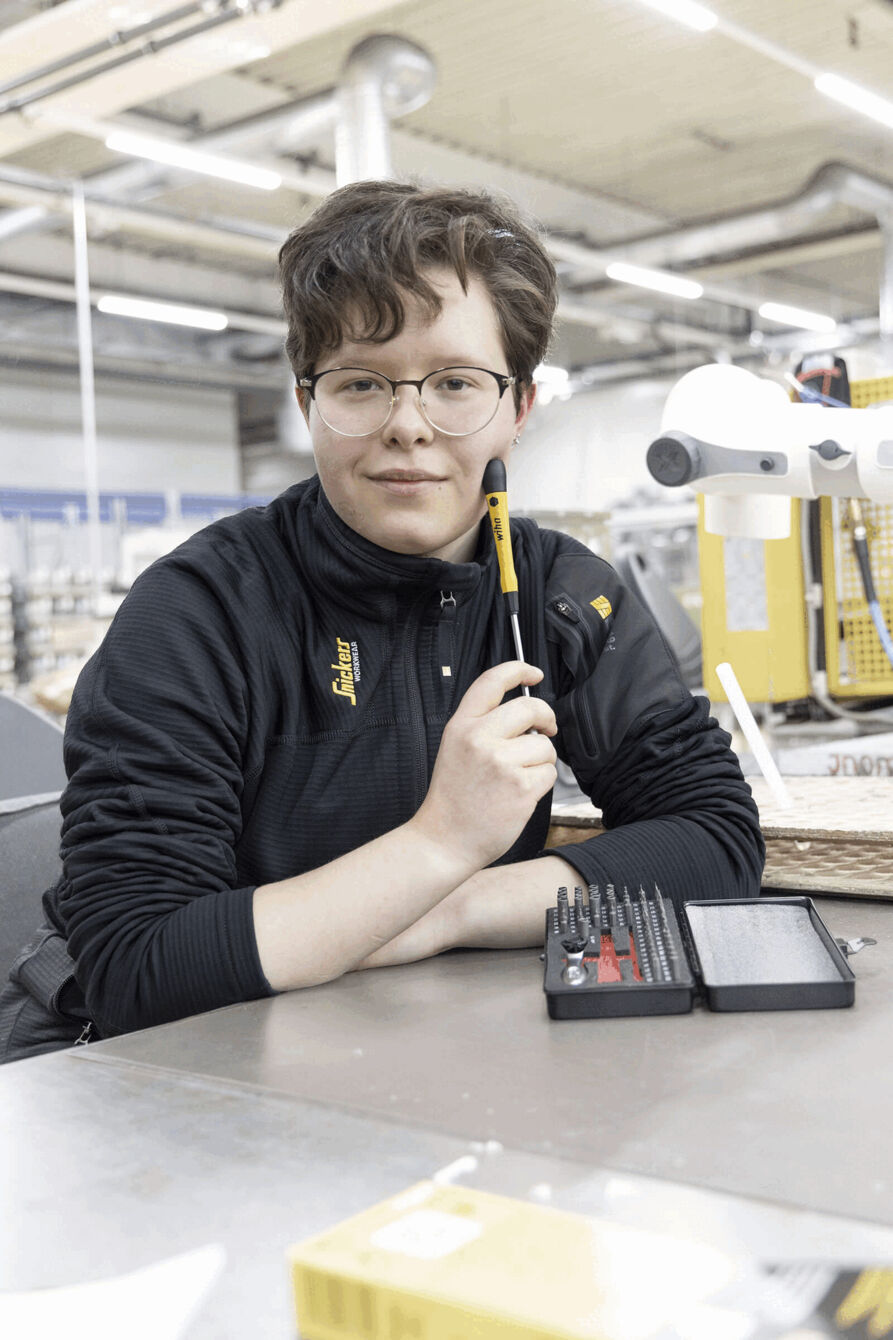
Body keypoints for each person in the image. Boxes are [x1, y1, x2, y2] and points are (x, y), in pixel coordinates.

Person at [0, 181, 764, 1062]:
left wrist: (449, 908)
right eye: (361, 382)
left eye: (454, 383)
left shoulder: (559, 593)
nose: (408, 425)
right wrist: (443, 841)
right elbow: (140, 967)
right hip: (168, 1069)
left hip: (413, 1048)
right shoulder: (198, 611)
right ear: (306, 402)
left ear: (516, 410)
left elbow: (712, 837)